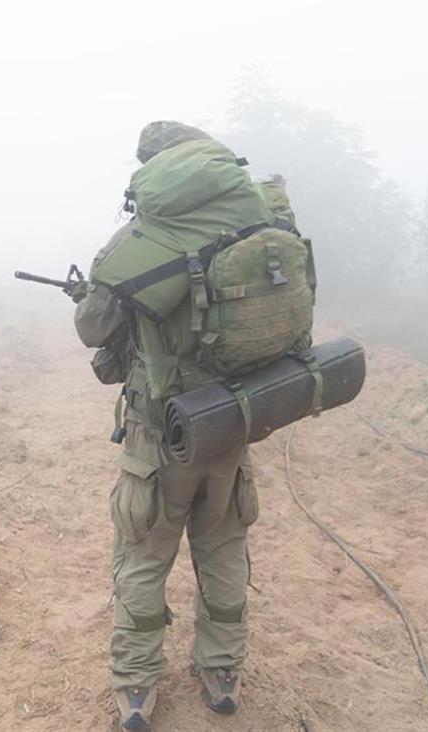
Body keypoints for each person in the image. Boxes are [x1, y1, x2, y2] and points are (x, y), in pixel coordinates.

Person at [74, 121, 278, 731]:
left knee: (143, 552)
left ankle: (137, 685)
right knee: (224, 546)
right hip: (231, 423)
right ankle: (221, 671)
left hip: (158, 435)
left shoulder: (138, 242)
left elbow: (93, 329)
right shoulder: (258, 221)